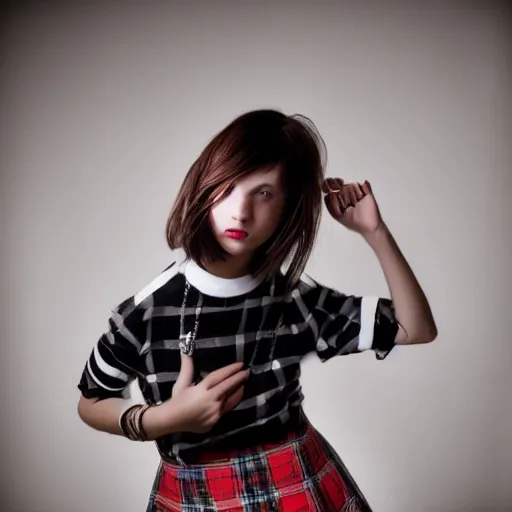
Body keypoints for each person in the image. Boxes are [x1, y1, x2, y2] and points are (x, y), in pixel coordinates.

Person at [77, 109, 437, 511]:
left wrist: (375, 232)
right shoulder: (148, 311)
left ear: (288, 207)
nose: (240, 211)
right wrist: (165, 419)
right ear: (204, 186)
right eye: (227, 188)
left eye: (263, 193)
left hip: (296, 485)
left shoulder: (295, 299)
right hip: (195, 495)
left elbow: (415, 328)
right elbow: (90, 401)